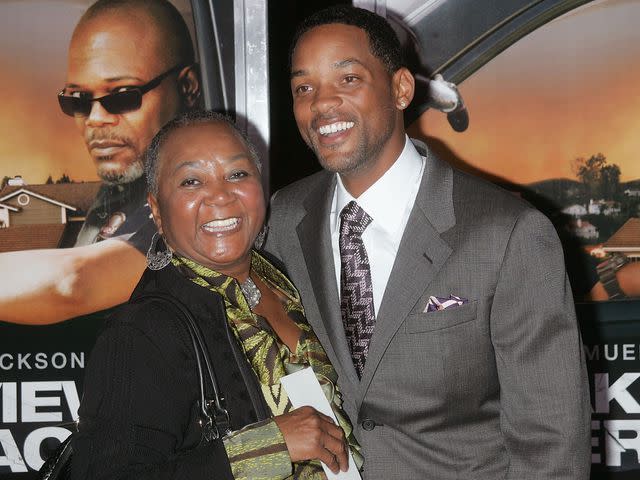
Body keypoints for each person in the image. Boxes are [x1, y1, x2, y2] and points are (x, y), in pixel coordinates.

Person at [265, 6, 591, 479]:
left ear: (400, 89)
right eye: (303, 88)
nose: (322, 104)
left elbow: (552, 442)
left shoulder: (508, 233)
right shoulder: (282, 219)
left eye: (348, 79)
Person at [72, 111, 362, 479]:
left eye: (237, 174)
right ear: (157, 211)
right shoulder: (142, 331)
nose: (221, 196)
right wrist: (269, 446)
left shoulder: (292, 282)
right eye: (191, 181)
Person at [0, 0, 199, 324]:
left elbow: (73, 284)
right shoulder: (124, 189)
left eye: (122, 95)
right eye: (77, 100)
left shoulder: (200, 191)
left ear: (188, 86)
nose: (95, 119)